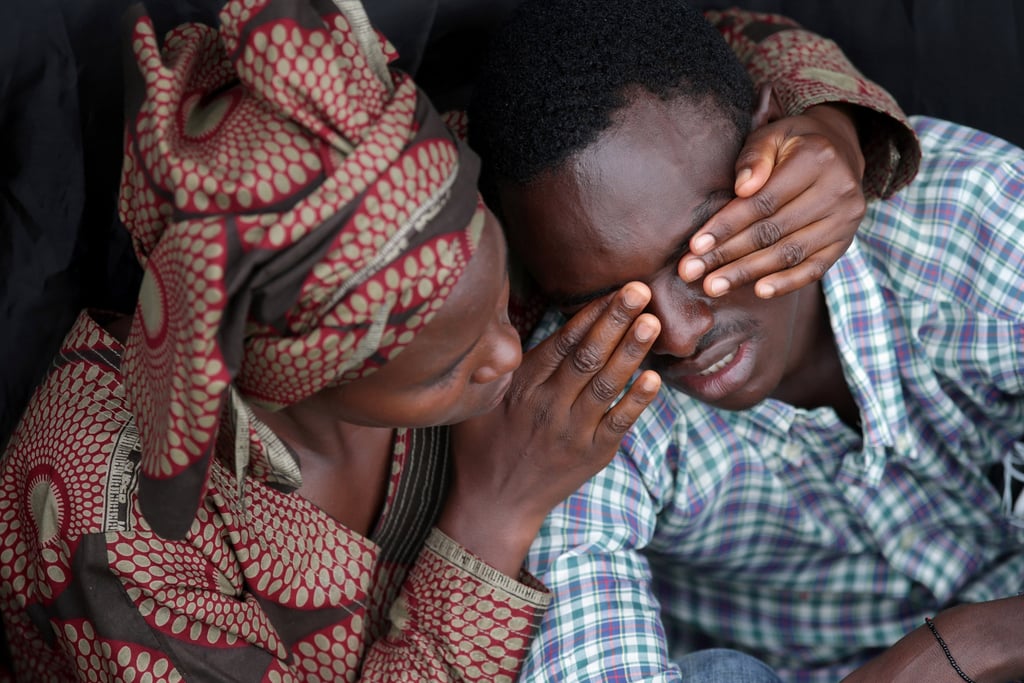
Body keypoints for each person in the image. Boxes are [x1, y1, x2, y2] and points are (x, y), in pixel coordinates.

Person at [0, 0, 887, 680]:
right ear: (292, 382)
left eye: (503, 293)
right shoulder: (110, 531)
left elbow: (669, 62)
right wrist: (493, 517)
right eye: (452, 367)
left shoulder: (429, 212)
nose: (511, 357)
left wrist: (830, 133)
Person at [467, 0, 1024, 681]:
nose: (677, 333)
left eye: (696, 252)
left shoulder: (972, 223)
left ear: (769, 145)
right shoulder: (583, 412)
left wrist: (978, 642)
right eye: (603, 299)